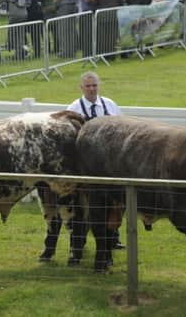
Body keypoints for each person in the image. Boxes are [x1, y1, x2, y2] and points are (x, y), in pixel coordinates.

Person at [67, 71, 124, 248]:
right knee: (82, 204)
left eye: (94, 86)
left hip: (109, 163)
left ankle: (113, 238)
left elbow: (122, 129)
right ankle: (78, 244)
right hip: (85, 164)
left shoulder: (110, 105)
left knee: (113, 202)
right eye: (88, 86)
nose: (92, 89)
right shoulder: (73, 109)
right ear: (81, 87)